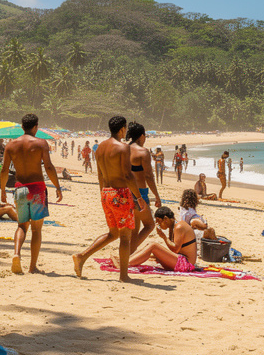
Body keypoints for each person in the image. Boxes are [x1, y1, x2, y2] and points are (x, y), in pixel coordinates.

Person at [73, 115, 145, 282]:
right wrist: (138, 197)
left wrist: (103, 194)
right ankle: (124, 276)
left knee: (113, 234)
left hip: (106, 192)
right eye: (125, 128)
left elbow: (100, 175)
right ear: (121, 129)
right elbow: (127, 175)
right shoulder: (123, 148)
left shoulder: (100, 149)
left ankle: (82, 257)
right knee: (125, 236)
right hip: (120, 194)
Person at [1, 113, 63, 274]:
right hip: (37, 190)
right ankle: (32, 267)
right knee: (36, 229)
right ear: (36, 127)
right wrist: (57, 186)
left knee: (22, 226)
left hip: (20, 189)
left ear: (22, 127)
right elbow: (49, 167)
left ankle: (16, 254)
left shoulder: (11, 145)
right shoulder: (41, 143)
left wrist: (2, 190)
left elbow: (4, 170)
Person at [128, 206, 201, 272]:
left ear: (166, 219)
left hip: (186, 264)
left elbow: (175, 249)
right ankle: (127, 259)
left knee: (153, 245)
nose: (159, 224)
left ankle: (127, 263)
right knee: (149, 246)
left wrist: (164, 237)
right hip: (181, 261)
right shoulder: (173, 227)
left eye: (159, 221)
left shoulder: (179, 227)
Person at [126, 122, 159, 247]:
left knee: (134, 229)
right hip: (139, 193)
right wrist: (157, 195)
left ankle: (128, 257)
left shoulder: (123, 149)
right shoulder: (143, 152)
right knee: (149, 225)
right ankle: (127, 255)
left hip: (125, 191)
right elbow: (149, 176)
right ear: (141, 136)